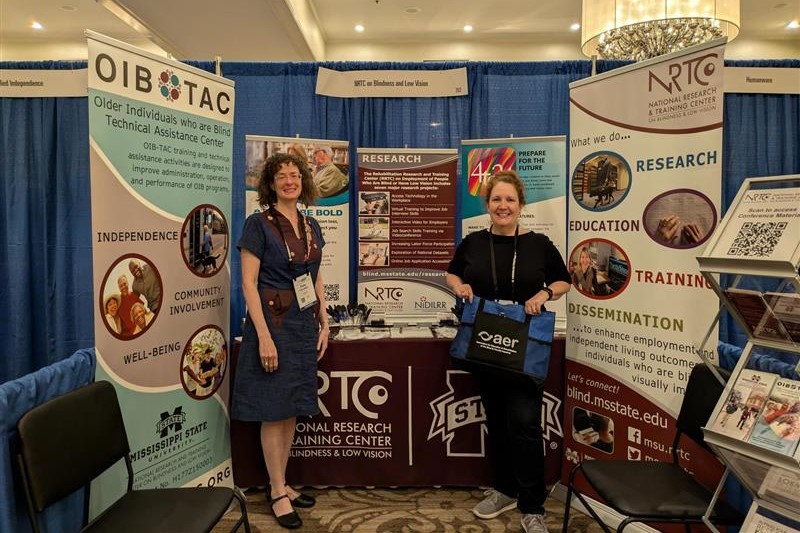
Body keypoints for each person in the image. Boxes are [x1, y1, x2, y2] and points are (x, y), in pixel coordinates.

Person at [445, 170, 571, 533]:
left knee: (526, 425)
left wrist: (545, 294)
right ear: (487, 205)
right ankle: (504, 490)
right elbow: (452, 274)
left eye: (510, 200)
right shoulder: (472, 242)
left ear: (521, 205)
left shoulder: (539, 244)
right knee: (497, 422)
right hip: (485, 341)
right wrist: (461, 286)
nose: (503, 206)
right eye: (496, 200)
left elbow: (564, 280)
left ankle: (533, 506)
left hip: (524, 343)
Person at [233, 152, 329, 529]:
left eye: (295, 174)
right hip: (271, 324)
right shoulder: (257, 225)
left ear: (303, 181)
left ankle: (283, 482)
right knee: (273, 410)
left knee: (289, 407)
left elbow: (315, 275)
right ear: (270, 184)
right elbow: (248, 285)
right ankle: (275, 490)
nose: (290, 180)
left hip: (302, 325)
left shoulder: (311, 224)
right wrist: (263, 337)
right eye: (281, 176)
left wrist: (324, 317)